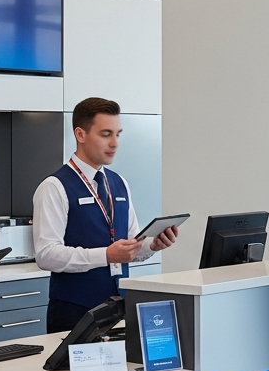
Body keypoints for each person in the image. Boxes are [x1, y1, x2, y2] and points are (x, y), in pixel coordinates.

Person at [34, 98, 179, 333]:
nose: (114, 143)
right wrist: (106, 255)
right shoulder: (54, 186)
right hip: (74, 311)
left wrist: (153, 245)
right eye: (105, 134)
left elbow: (132, 245)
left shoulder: (118, 183)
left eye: (117, 134)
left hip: (119, 306)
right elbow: (46, 255)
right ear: (80, 135)